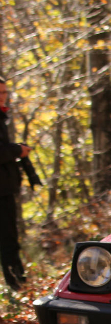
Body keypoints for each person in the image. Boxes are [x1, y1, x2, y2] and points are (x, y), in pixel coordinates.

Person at [0, 77, 34, 292]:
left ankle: (18, 286)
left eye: (4, 92)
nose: (3, 97)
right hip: (1, 192)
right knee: (7, 240)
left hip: (4, 189)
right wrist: (16, 151)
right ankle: (18, 287)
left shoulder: (2, 117)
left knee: (9, 239)